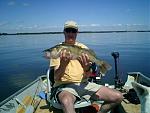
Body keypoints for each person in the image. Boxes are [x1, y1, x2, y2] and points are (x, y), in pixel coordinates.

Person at [45, 20, 123, 113]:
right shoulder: (58, 49)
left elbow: (88, 75)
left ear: (77, 32)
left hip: (85, 84)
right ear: (64, 32)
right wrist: (63, 64)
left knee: (118, 97)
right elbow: (56, 78)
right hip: (65, 87)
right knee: (66, 101)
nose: (70, 33)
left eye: (73, 31)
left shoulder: (83, 48)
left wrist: (86, 67)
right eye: (68, 30)